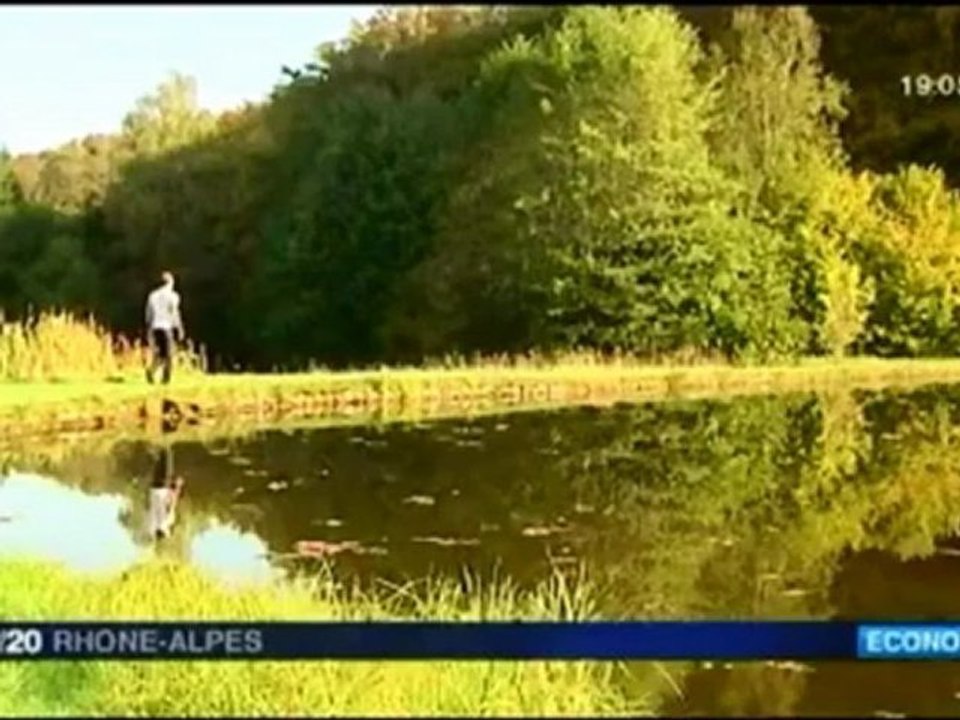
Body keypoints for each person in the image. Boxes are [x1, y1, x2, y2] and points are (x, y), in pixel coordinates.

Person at [145, 271, 184, 385]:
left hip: (155, 327)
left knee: (159, 353)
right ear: (170, 283)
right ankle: (165, 379)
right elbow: (174, 313)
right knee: (169, 354)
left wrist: (149, 328)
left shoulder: (152, 295)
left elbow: (148, 314)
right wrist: (179, 327)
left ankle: (151, 371)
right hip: (166, 327)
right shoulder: (173, 296)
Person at [148, 446, 185, 542]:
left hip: (164, 487)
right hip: (154, 488)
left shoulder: (168, 521)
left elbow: (172, 503)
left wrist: (178, 486)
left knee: (168, 457)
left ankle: (167, 443)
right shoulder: (152, 525)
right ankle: (159, 444)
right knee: (159, 461)